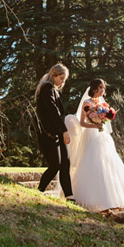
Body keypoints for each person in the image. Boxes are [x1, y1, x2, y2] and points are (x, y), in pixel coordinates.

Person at [64, 78, 124, 212]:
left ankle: (111, 199)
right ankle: (96, 200)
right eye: (101, 87)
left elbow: (107, 121)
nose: (103, 90)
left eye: (104, 88)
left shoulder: (103, 104)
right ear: (95, 88)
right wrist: (95, 124)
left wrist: (102, 121)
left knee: (108, 164)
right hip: (91, 136)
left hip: (103, 137)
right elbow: (82, 123)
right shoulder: (87, 103)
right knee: (94, 165)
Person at [34, 63, 73, 201]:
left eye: (64, 79)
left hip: (57, 132)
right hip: (49, 133)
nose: (63, 82)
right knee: (55, 165)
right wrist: (64, 130)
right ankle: (39, 191)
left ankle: (69, 196)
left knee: (65, 164)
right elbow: (53, 112)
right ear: (53, 75)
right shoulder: (46, 88)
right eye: (61, 78)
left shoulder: (53, 89)